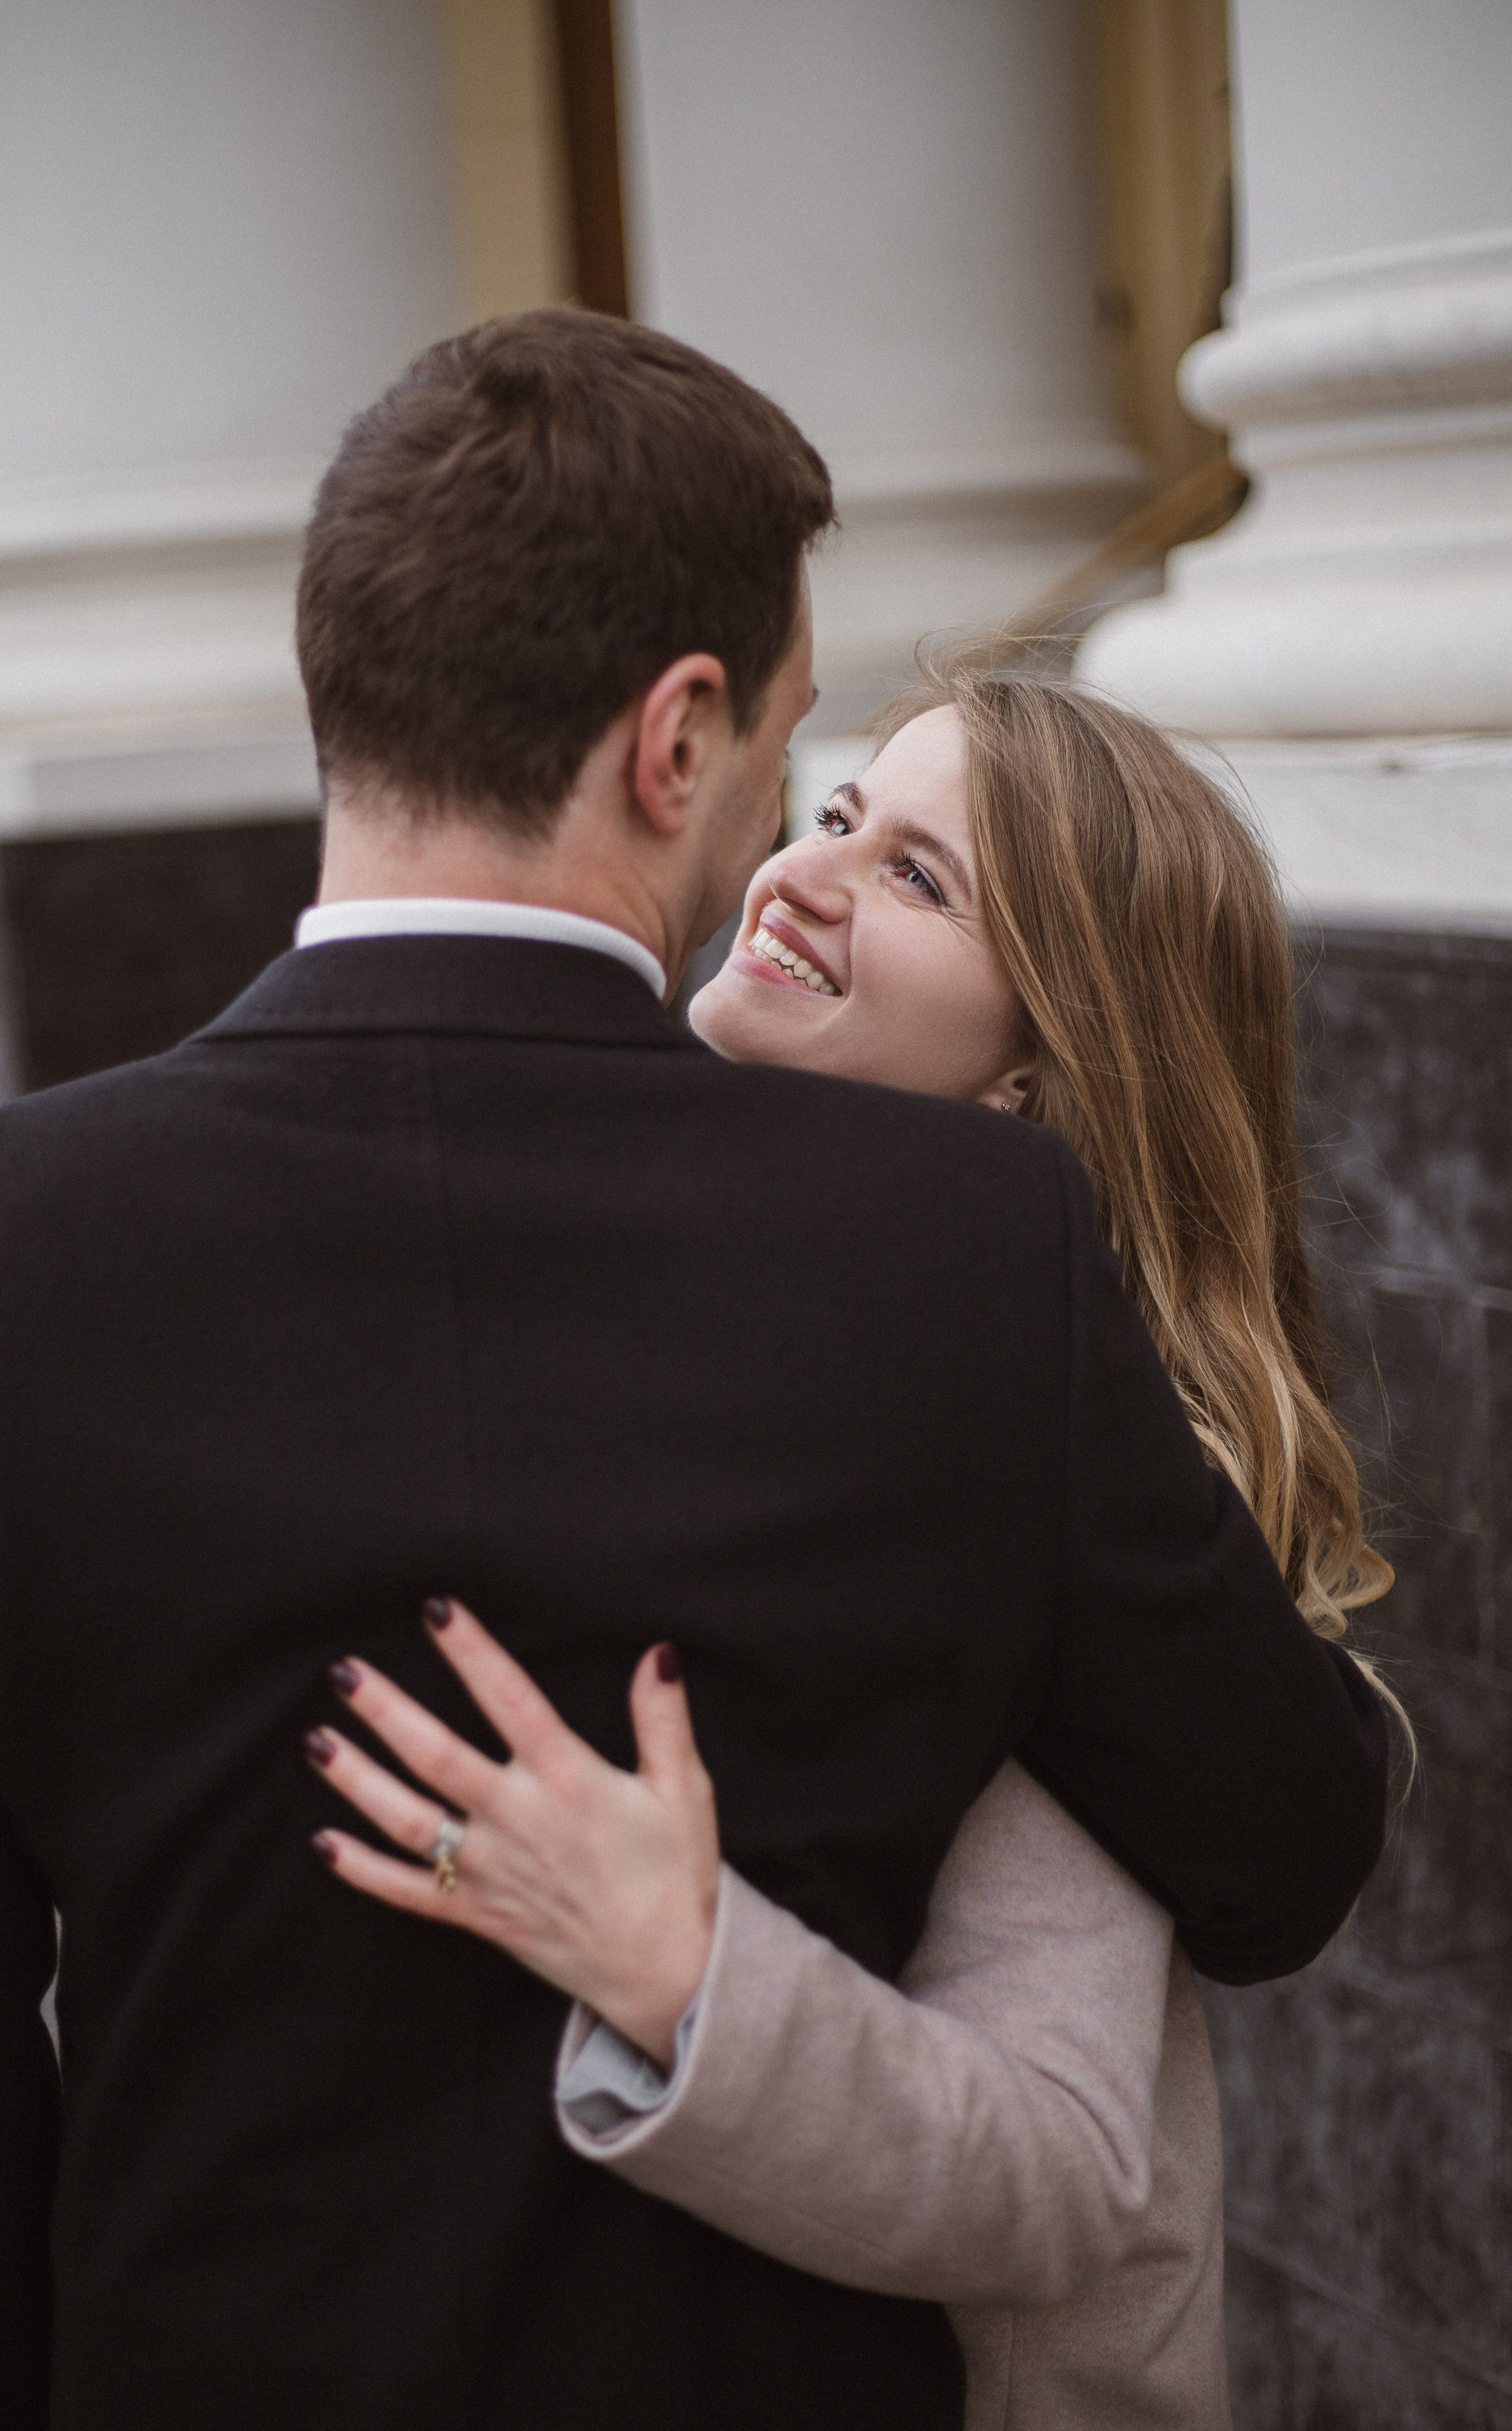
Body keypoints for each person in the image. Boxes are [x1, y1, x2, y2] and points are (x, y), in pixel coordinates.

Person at [0, 313, 1388, 2431]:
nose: (792, 832)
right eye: (800, 754)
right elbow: (1285, 1840)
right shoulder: (967, 1258)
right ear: (677, 743)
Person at [306, 674, 1408, 2426]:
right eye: (836, 818)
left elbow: (1051, 2172)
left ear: (1033, 1087)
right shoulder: (731, 1330)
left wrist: (682, 1973)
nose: (800, 877)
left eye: (917, 880)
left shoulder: (1028, 1473)